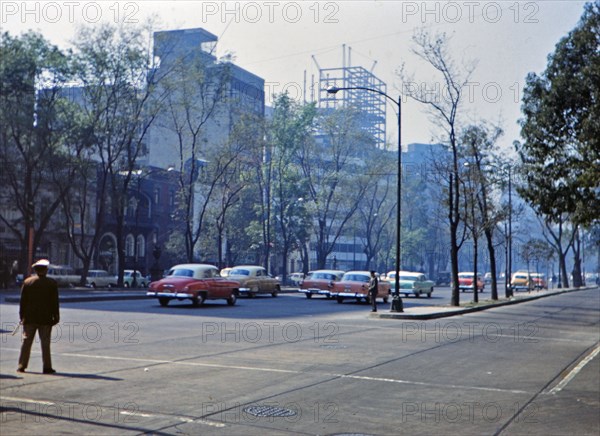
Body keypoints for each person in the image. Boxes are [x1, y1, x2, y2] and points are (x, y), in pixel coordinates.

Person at [17, 259, 60, 374]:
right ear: (45, 270)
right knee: (45, 343)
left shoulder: (27, 282)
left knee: (26, 343)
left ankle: (22, 365)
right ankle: (47, 367)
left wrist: (22, 317)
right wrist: (56, 316)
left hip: (29, 318)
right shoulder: (51, 283)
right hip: (45, 319)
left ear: (35, 270)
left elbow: (23, 302)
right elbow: (54, 302)